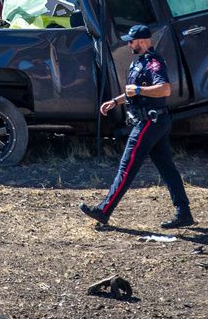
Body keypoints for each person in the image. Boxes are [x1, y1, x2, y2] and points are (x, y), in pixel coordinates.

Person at [79, 24, 194, 229]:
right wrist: (116, 101)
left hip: (150, 122)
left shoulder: (153, 63)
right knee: (167, 168)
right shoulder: (141, 62)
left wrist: (139, 89)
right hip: (153, 122)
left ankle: (104, 211)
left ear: (141, 41)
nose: (128, 44)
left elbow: (164, 89)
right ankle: (184, 212)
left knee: (127, 167)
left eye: (131, 41)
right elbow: (134, 92)